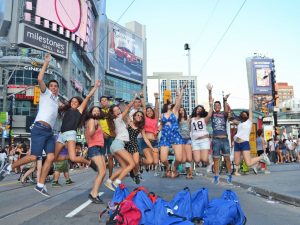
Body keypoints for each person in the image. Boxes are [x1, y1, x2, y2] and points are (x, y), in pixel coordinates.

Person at [0, 53, 60, 197]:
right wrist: (46, 62)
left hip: (50, 133)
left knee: (51, 157)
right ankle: (9, 167)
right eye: (51, 85)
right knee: (34, 157)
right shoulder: (45, 94)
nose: (53, 87)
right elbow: (40, 78)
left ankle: (40, 184)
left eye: (56, 86)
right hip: (39, 128)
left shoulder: (57, 101)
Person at [54, 80, 101, 172]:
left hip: (71, 134)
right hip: (61, 135)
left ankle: (89, 163)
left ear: (79, 104)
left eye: (76, 102)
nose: (74, 102)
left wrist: (95, 87)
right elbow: (56, 100)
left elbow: (87, 97)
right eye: (72, 101)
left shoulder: (79, 110)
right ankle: (66, 159)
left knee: (74, 159)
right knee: (54, 158)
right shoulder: (67, 110)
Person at [104, 96, 137, 191]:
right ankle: (117, 182)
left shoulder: (118, 121)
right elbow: (127, 108)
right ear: (113, 113)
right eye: (116, 110)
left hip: (116, 145)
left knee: (124, 166)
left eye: (118, 109)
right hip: (118, 144)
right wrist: (134, 98)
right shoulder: (118, 119)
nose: (118, 111)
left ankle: (109, 181)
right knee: (131, 164)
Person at [232, 96, 270, 173]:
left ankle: (262, 157)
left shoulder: (249, 122)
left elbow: (250, 109)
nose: (243, 114)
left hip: (244, 143)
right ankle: (236, 171)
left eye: (245, 114)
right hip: (236, 143)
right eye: (242, 114)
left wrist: (250, 100)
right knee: (236, 162)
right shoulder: (240, 123)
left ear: (247, 115)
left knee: (248, 163)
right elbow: (232, 119)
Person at [160, 84, 186, 178]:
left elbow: (178, 102)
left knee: (179, 159)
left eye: (172, 103)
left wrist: (181, 91)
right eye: (169, 103)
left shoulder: (175, 111)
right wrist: (157, 130)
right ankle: (168, 166)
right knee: (163, 159)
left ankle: (174, 167)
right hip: (165, 137)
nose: (171, 104)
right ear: (166, 105)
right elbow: (161, 125)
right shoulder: (162, 115)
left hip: (175, 135)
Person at [125, 111, 154, 184]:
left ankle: (136, 175)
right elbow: (125, 112)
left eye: (141, 116)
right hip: (126, 145)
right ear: (134, 116)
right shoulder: (129, 122)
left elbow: (145, 139)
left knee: (136, 162)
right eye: (137, 115)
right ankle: (133, 173)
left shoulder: (140, 128)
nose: (139, 117)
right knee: (130, 162)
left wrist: (152, 148)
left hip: (134, 144)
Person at [190, 84, 213, 174]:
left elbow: (210, 113)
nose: (199, 110)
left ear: (202, 111)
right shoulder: (191, 119)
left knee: (204, 159)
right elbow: (189, 129)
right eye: (198, 108)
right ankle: (209, 162)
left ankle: (210, 163)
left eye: (201, 109)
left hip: (204, 140)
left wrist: (209, 92)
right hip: (195, 141)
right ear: (195, 110)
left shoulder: (204, 119)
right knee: (197, 160)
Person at [210, 89, 232, 185]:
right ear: (214, 107)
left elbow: (227, 111)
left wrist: (225, 100)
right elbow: (210, 102)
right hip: (216, 139)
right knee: (216, 159)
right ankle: (216, 176)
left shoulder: (223, 114)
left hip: (224, 139)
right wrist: (210, 92)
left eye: (219, 105)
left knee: (227, 158)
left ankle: (229, 175)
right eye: (216, 106)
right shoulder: (212, 114)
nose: (217, 107)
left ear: (221, 107)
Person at [85, 106, 106, 203]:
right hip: (94, 148)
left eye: (98, 110)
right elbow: (91, 133)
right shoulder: (91, 120)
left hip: (99, 148)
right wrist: (96, 126)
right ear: (91, 112)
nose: (97, 112)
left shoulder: (96, 121)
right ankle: (93, 194)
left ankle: (94, 192)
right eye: (94, 111)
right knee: (101, 172)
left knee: (103, 172)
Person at [140, 93, 160, 176]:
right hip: (145, 141)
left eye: (150, 111)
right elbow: (144, 108)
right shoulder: (144, 118)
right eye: (147, 111)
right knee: (150, 161)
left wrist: (156, 99)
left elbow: (157, 109)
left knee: (155, 162)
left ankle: (144, 162)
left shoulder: (155, 119)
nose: (149, 112)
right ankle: (141, 161)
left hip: (154, 142)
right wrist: (142, 97)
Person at [99, 96, 115, 177]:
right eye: (102, 100)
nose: (104, 101)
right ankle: (101, 174)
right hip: (101, 137)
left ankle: (111, 176)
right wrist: (102, 132)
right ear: (100, 102)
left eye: (105, 100)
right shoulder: (98, 111)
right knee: (101, 156)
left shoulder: (111, 111)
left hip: (111, 136)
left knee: (110, 156)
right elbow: (96, 123)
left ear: (108, 102)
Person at [178, 106, 193, 179]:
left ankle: (190, 173)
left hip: (188, 139)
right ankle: (188, 171)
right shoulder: (178, 120)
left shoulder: (189, 119)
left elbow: (191, 128)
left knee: (189, 158)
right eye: (180, 110)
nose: (181, 111)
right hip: (181, 140)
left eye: (182, 110)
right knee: (184, 159)